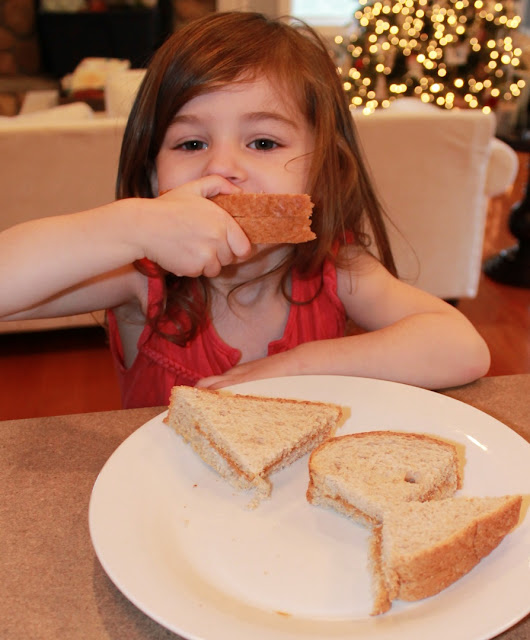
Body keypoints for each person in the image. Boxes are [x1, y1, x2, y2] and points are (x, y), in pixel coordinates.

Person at [0, 11, 490, 408]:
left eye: (263, 142)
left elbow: (462, 348)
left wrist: (297, 366)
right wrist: (129, 227)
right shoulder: (139, 276)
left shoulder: (336, 268)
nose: (222, 167)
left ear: (322, 171)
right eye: (191, 143)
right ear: (152, 177)